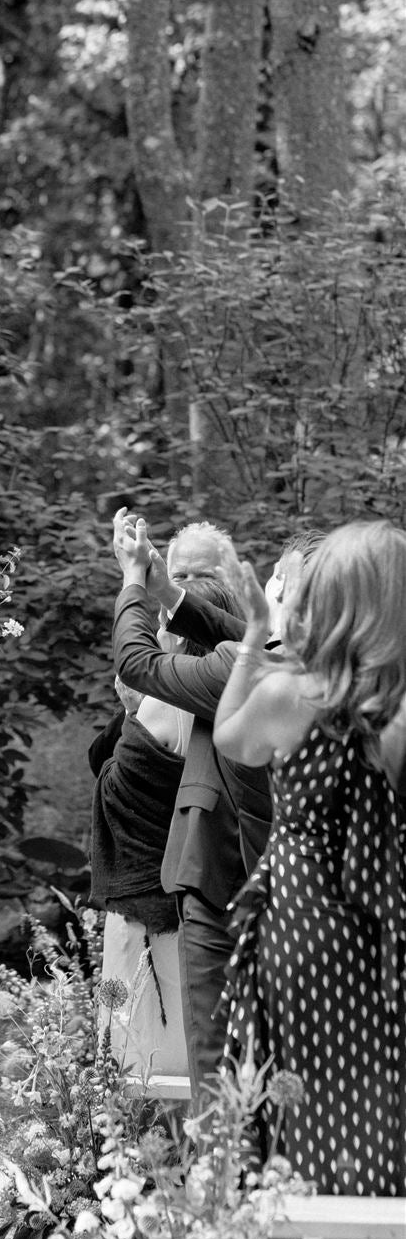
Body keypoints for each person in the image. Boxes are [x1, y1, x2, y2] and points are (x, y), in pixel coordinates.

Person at [212, 519, 406, 1195]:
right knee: (385, 1081)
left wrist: (252, 635)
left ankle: (306, 1234)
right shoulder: (396, 707)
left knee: (304, 1082)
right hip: (390, 908)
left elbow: (230, 740)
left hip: (304, 914)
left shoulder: (289, 694)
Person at [111, 510, 271, 1094]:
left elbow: (136, 664)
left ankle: (224, 1148)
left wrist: (134, 580)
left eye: (278, 583)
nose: (266, 585)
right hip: (225, 862)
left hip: (216, 862)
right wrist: (162, 588)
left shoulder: (238, 663)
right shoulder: (277, 655)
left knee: (214, 1051)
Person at [88, 572, 241, 1080]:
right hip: (204, 891)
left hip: (148, 901)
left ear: (176, 634)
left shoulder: (166, 703)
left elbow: (116, 786)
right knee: (197, 1039)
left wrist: (135, 711)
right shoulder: (236, 697)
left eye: (160, 622)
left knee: (144, 1054)